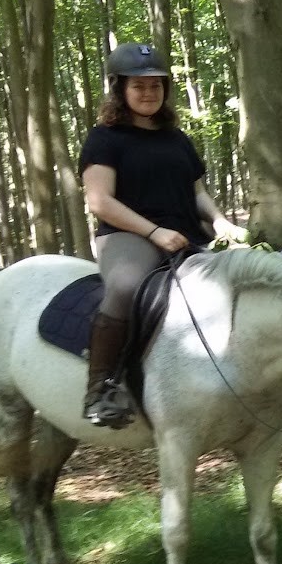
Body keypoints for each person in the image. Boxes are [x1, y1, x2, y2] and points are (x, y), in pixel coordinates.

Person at [79, 43, 246, 429]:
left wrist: (220, 222)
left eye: (156, 85)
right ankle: (101, 388)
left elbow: (198, 194)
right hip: (127, 236)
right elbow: (100, 201)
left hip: (186, 233)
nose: (149, 93)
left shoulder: (177, 139)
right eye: (139, 85)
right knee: (125, 287)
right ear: (120, 88)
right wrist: (154, 232)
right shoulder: (105, 138)